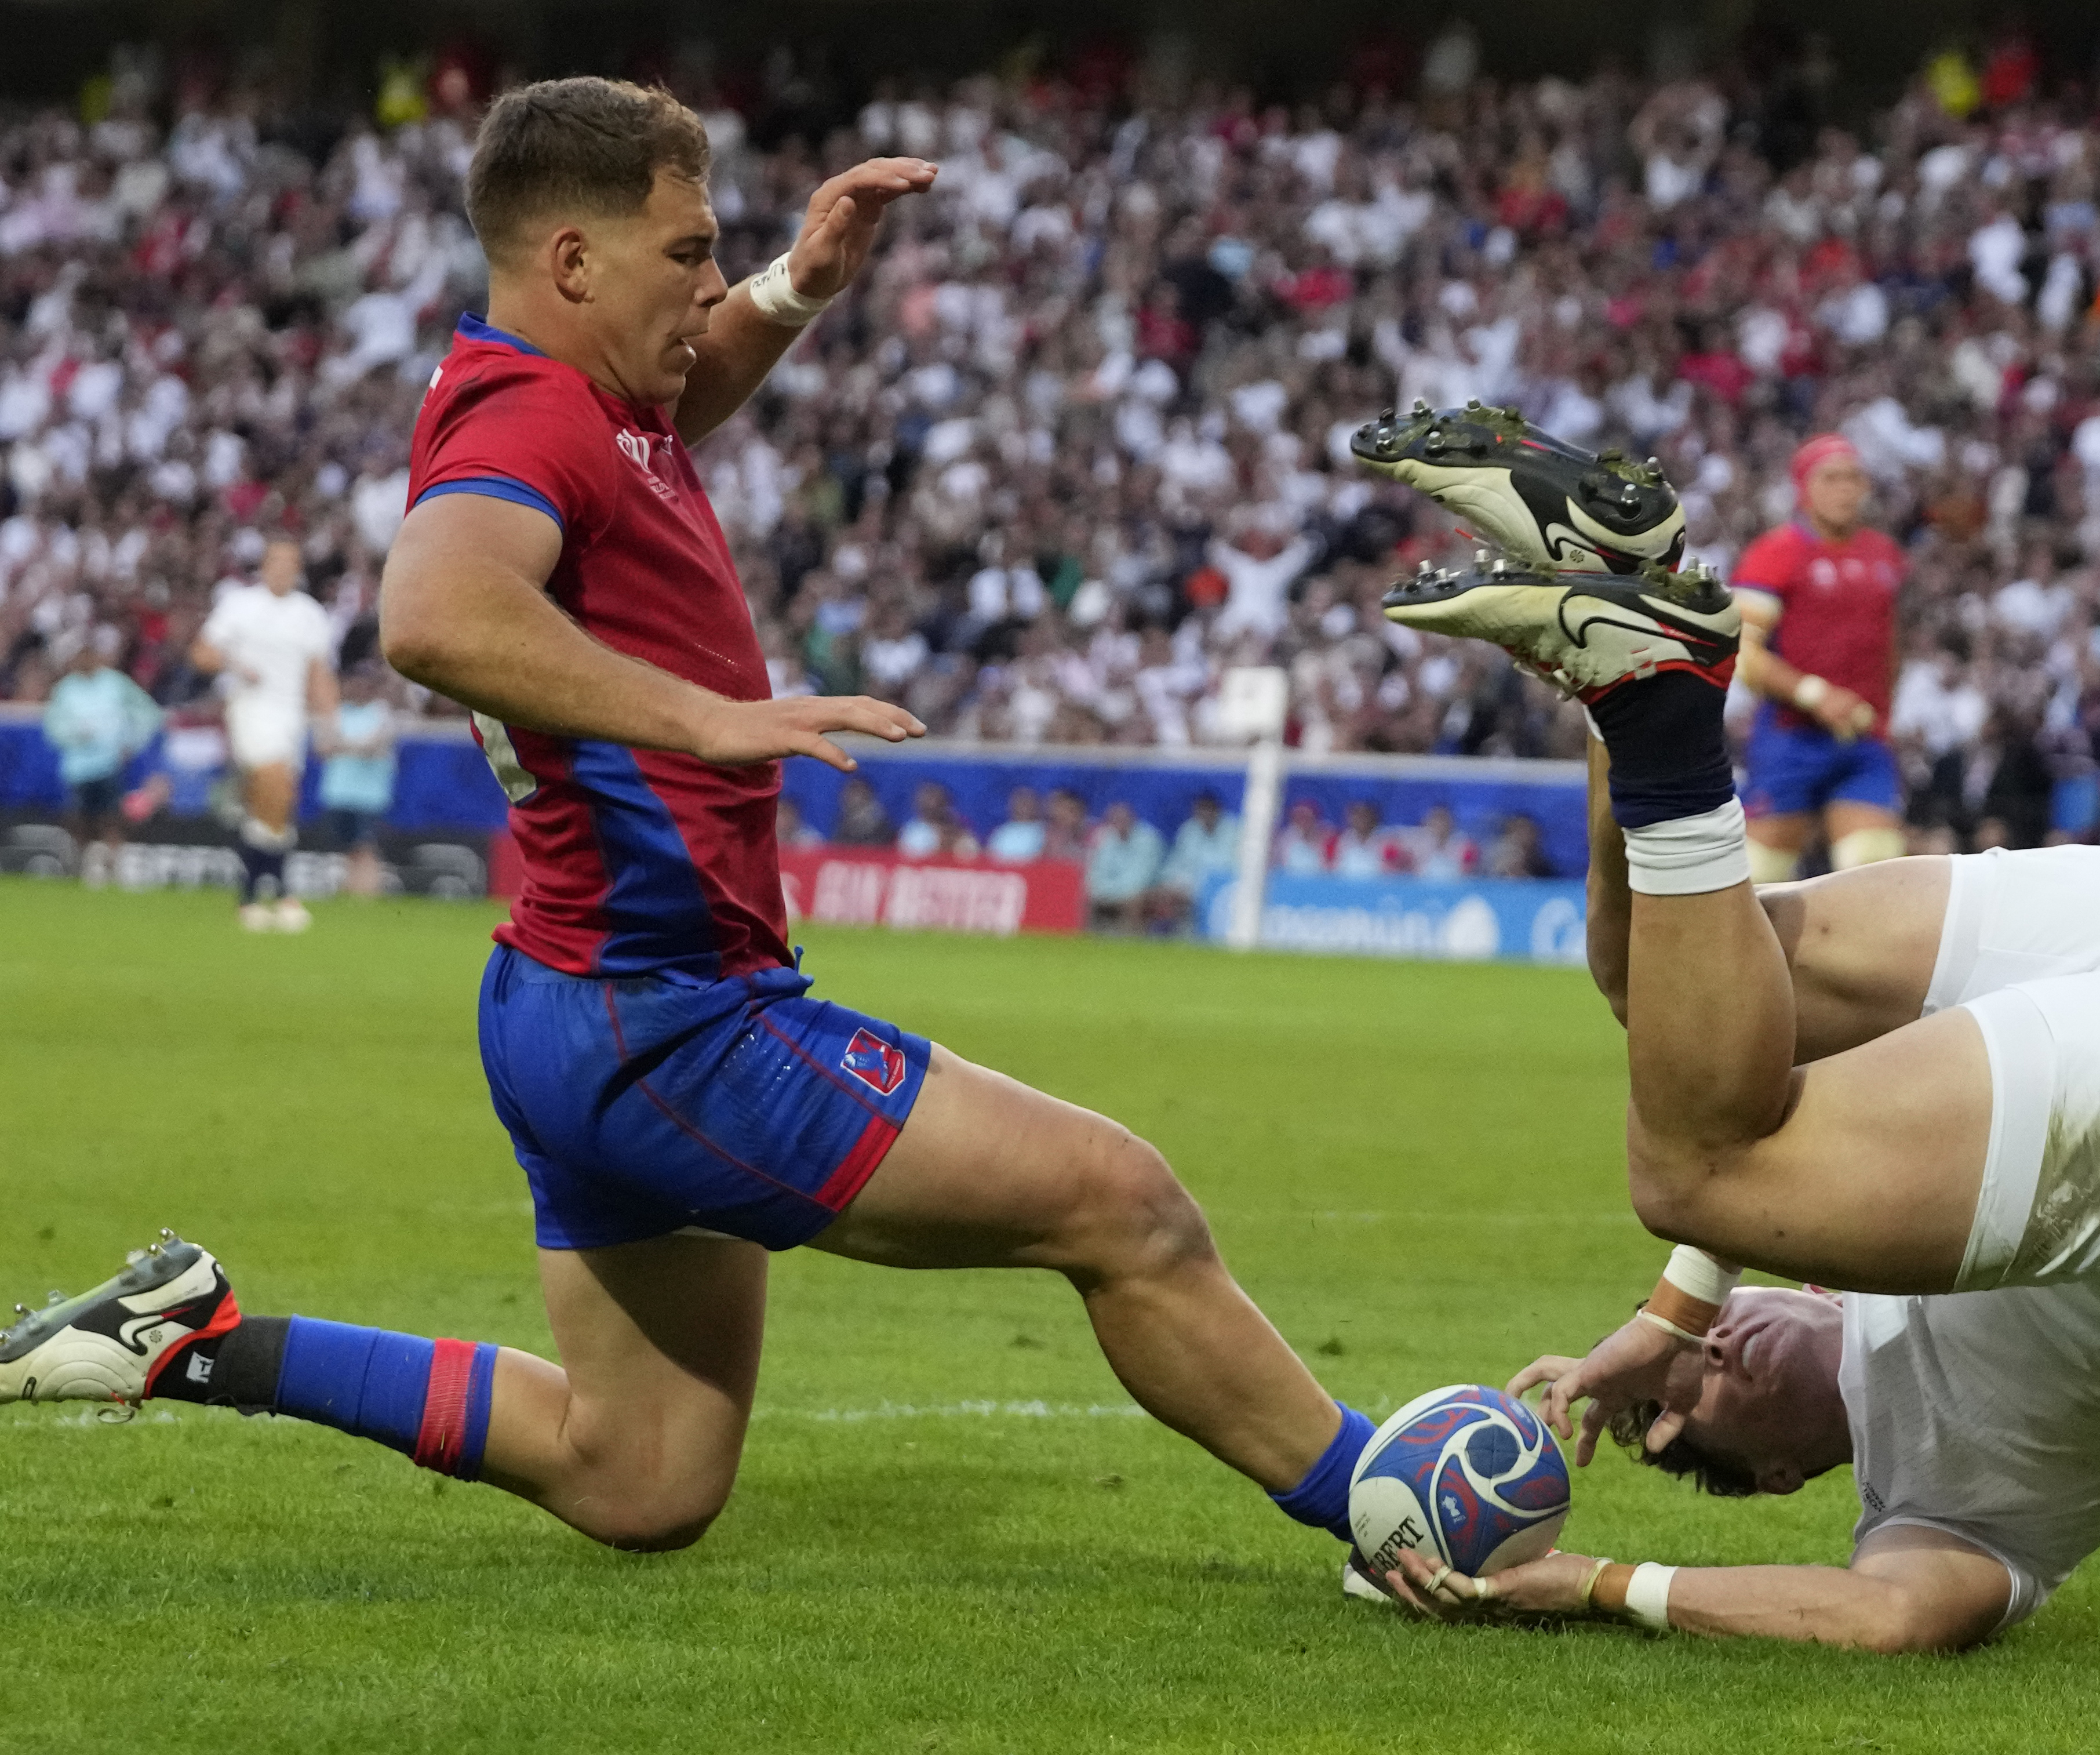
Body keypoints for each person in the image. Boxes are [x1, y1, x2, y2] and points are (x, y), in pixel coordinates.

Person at [2, 78, 1378, 1567]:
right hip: (666, 1022)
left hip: (569, 997)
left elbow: (674, 398)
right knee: (1123, 1204)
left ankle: (189, 1342)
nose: (712, 281)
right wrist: (713, 718)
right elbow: (433, 611)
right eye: (689, 251)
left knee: (639, 1474)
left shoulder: (573, 399)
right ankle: (1387, 1503)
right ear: (576, 261)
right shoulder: (534, 412)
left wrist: (794, 289)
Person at [1363, 462, 2100, 1653]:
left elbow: (1758, 1218)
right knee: (1685, 1175)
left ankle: (1626, 633)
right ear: (1771, 1474)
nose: (1707, 1357)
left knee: (1661, 993)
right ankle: (1651, 704)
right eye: (1694, 1407)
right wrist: (1595, 1582)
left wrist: (1665, 1314)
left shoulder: (1839, 1252)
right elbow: (1887, 1612)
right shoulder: (1929, 1503)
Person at [1727, 435, 1907, 882]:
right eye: (1831, 478)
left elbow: (1889, 644)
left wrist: (1885, 712)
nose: (1845, 489)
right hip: (1792, 736)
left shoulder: (1882, 554)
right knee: (1759, 879)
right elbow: (1742, 652)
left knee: (1875, 873)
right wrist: (1815, 695)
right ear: (1803, 488)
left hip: (1864, 737)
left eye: (1854, 478)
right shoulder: (1774, 553)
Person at [191, 533, 336, 932]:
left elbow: (318, 674)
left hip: (292, 714)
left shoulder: (309, 613)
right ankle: (283, 892)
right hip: (251, 708)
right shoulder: (240, 605)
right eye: (277, 562)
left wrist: (328, 724)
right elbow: (201, 653)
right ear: (265, 565)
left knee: (275, 803)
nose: (283, 570)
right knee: (274, 784)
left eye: (291, 563)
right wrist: (237, 666)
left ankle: (252, 895)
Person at [41, 628, 162, 887]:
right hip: (77, 767)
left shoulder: (116, 684)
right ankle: (79, 868)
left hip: (108, 764)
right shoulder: (66, 689)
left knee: (112, 820)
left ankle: (114, 868)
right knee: (79, 821)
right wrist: (75, 736)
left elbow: (148, 713)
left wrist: (131, 742)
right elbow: (53, 727)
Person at [316, 665, 400, 896]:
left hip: (369, 795)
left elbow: (374, 746)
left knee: (366, 846)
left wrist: (342, 745)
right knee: (346, 848)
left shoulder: (382, 713)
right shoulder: (337, 712)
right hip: (338, 792)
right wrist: (353, 746)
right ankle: (352, 890)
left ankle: (367, 892)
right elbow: (323, 747)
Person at [1146, 791, 1239, 932]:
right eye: (1200, 810)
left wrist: (1195, 885)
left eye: (1208, 810)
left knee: (1174, 897)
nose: (1204, 814)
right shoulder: (1189, 830)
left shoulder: (1234, 830)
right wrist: (1167, 882)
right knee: (1160, 893)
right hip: (1187, 883)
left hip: (1219, 886)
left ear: (1217, 810)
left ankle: (1168, 931)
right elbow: (1177, 862)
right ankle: (1160, 934)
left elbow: (1229, 866)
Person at [1084, 799, 1165, 932]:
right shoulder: (1104, 838)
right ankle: (1088, 942)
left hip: (1143, 890)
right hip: (1111, 891)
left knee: (1136, 900)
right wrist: (1103, 893)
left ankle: (1133, 941)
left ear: (1133, 819)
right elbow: (1096, 872)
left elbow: (1141, 879)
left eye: (1123, 819)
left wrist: (1115, 895)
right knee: (1085, 898)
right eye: (1115, 820)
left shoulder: (1148, 839)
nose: (1120, 824)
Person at [982, 785, 1047, 862]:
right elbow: (990, 856)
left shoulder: (1045, 831)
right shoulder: (1002, 831)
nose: (1024, 807)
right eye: (1020, 802)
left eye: (1027, 802)